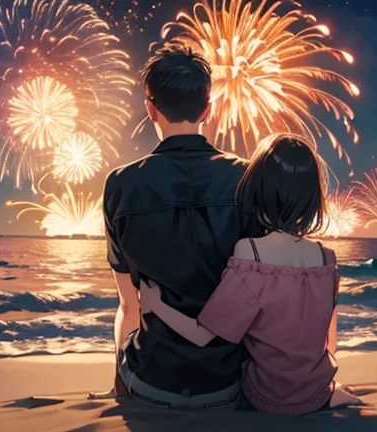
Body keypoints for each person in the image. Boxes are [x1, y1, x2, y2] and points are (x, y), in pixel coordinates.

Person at [140, 134, 360, 416]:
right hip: (317, 393)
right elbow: (330, 342)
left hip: (267, 397)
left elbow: (202, 335)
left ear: (258, 188)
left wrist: (154, 304)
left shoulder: (251, 254)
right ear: (312, 198)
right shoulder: (326, 259)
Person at [100, 42, 262, 408]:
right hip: (228, 382)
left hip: (152, 381)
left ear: (150, 109)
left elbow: (129, 304)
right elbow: (260, 292)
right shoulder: (248, 178)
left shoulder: (121, 185)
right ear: (208, 109)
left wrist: (120, 385)